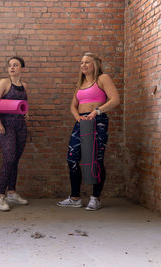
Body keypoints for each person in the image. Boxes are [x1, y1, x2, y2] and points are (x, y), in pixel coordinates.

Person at [57, 52, 120, 211]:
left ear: (95, 64)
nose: (83, 65)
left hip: (97, 120)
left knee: (96, 158)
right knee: (72, 158)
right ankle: (75, 198)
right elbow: (73, 105)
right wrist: (77, 117)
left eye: (87, 62)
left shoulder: (102, 79)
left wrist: (96, 112)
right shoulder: (80, 83)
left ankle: (95, 198)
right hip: (81, 122)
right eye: (81, 62)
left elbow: (115, 100)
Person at [0, 56, 29, 211]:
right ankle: (1, 196)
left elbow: (25, 103)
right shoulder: (4, 83)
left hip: (20, 126)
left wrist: (27, 113)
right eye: (10, 65)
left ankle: (12, 192)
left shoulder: (24, 85)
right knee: (9, 159)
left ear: (21, 68)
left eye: (15, 65)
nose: (12, 68)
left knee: (15, 160)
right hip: (6, 126)